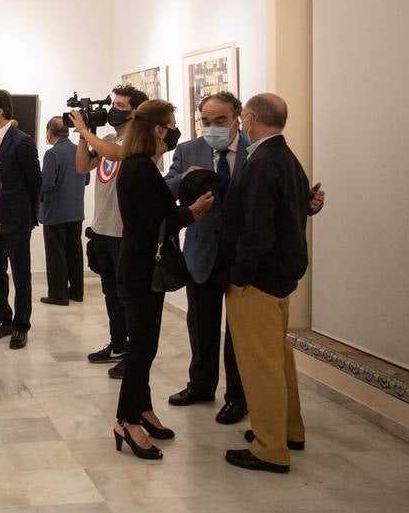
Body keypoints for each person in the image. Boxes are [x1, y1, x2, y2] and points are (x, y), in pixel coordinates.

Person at [221, 93, 324, 473]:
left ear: (248, 119)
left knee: (260, 363)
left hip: (259, 280)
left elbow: (257, 230)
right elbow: (295, 211)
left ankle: (270, 446)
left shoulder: (263, 162)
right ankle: (287, 429)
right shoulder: (287, 158)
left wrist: (240, 276)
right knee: (278, 358)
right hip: (282, 275)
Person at [111, 99, 214, 460]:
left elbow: (155, 212)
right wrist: (193, 212)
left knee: (146, 343)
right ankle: (125, 418)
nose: (174, 130)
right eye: (170, 124)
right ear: (157, 128)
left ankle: (142, 409)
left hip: (141, 268)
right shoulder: (139, 168)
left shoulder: (142, 166)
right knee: (142, 347)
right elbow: (157, 223)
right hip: (142, 270)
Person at [164, 91, 252, 425]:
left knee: (239, 331)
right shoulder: (188, 150)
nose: (212, 127)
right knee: (200, 324)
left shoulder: (252, 150)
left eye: (220, 121)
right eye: (205, 121)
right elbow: (167, 186)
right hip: (201, 251)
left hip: (242, 255)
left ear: (237, 119)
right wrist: (185, 179)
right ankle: (200, 386)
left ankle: (238, 397)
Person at [71, 85, 147, 376]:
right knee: (110, 293)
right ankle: (117, 343)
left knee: (127, 296)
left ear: (136, 112)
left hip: (124, 231)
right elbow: (82, 167)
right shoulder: (108, 137)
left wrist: (87, 131)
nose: (113, 108)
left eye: (121, 105)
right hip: (101, 228)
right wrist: (83, 135)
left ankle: (132, 351)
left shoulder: (140, 140)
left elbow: (116, 155)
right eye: (113, 103)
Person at [0, 89, 43, 349]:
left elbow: (34, 181)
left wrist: (29, 214)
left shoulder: (22, 141)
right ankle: (3, 320)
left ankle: (21, 325)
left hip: (16, 216)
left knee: (20, 273)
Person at [39, 116, 89, 306]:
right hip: (76, 210)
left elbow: (47, 184)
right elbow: (86, 180)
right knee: (74, 252)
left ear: (50, 133)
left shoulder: (52, 154)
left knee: (56, 254)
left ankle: (58, 294)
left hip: (56, 212)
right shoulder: (79, 150)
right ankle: (77, 292)